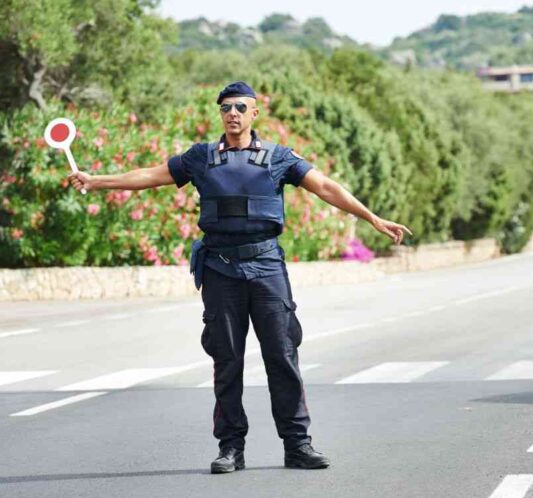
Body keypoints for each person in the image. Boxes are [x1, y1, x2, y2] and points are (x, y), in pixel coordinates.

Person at [68, 80, 412, 473]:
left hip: (266, 267)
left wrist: (372, 218)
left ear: (254, 113)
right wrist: (97, 181)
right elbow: (150, 174)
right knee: (226, 360)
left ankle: (298, 445)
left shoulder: (279, 157)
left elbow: (326, 187)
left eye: (240, 107)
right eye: (226, 107)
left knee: (282, 356)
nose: (233, 113)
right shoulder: (200, 158)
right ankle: (231, 448)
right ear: (220, 114)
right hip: (220, 269)